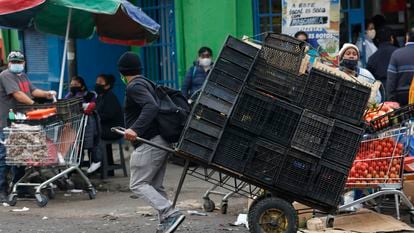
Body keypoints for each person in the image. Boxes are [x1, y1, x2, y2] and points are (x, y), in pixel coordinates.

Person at [118, 51, 185, 233]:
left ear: (122, 72)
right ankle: (166, 222)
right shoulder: (146, 82)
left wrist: (135, 129)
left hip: (149, 141)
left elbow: (151, 106)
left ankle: (170, 213)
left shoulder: (134, 86)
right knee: (155, 185)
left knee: (137, 184)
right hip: (160, 140)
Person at [0, 51, 56, 201]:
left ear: (24, 63)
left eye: (19, 62)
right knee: (5, 155)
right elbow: (17, 94)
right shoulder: (6, 75)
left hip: (21, 121)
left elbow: (32, 90)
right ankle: (1, 190)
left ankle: (20, 186)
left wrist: (46, 94)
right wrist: (34, 104)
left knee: (20, 154)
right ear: (9, 62)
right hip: (6, 122)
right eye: (14, 62)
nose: (17, 64)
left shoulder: (22, 76)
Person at [65, 76, 102, 174]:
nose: (73, 87)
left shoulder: (90, 95)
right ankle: (76, 164)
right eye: (72, 85)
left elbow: (92, 106)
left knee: (90, 141)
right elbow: (65, 106)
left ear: (82, 85)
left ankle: (96, 160)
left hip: (87, 123)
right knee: (75, 143)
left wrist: (86, 107)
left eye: (76, 85)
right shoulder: (69, 96)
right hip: (74, 124)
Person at [95, 74, 124, 176]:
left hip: (113, 129)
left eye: (100, 83)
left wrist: (96, 116)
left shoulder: (110, 97)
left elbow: (109, 115)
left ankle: (99, 165)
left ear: (107, 86)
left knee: (93, 135)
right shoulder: (100, 97)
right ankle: (102, 166)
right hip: (105, 127)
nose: (97, 84)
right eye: (96, 82)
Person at [387, 28, 414, 106]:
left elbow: (391, 80)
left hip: (402, 97)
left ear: (407, 37)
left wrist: (391, 100)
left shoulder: (396, 54)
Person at [367, 27, 398, 92]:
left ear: (378, 40)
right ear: (391, 38)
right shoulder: (398, 53)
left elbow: (369, 78)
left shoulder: (372, 58)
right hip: (397, 88)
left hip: (381, 91)